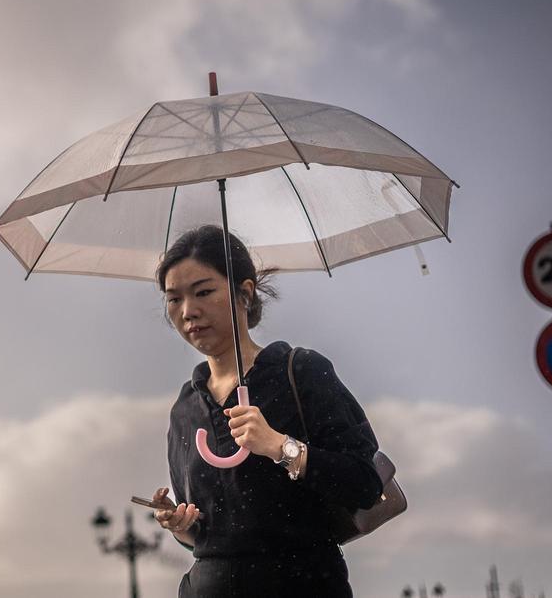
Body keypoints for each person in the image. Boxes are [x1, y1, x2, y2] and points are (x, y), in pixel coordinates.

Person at [150, 225, 382, 597]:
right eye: (173, 299)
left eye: (204, 291)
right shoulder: (185, 407)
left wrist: (280, 446)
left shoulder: (301, 371)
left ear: (245, 292)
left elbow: (365, 484)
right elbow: (206, 534)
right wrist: (180, 523)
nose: (189, 311)